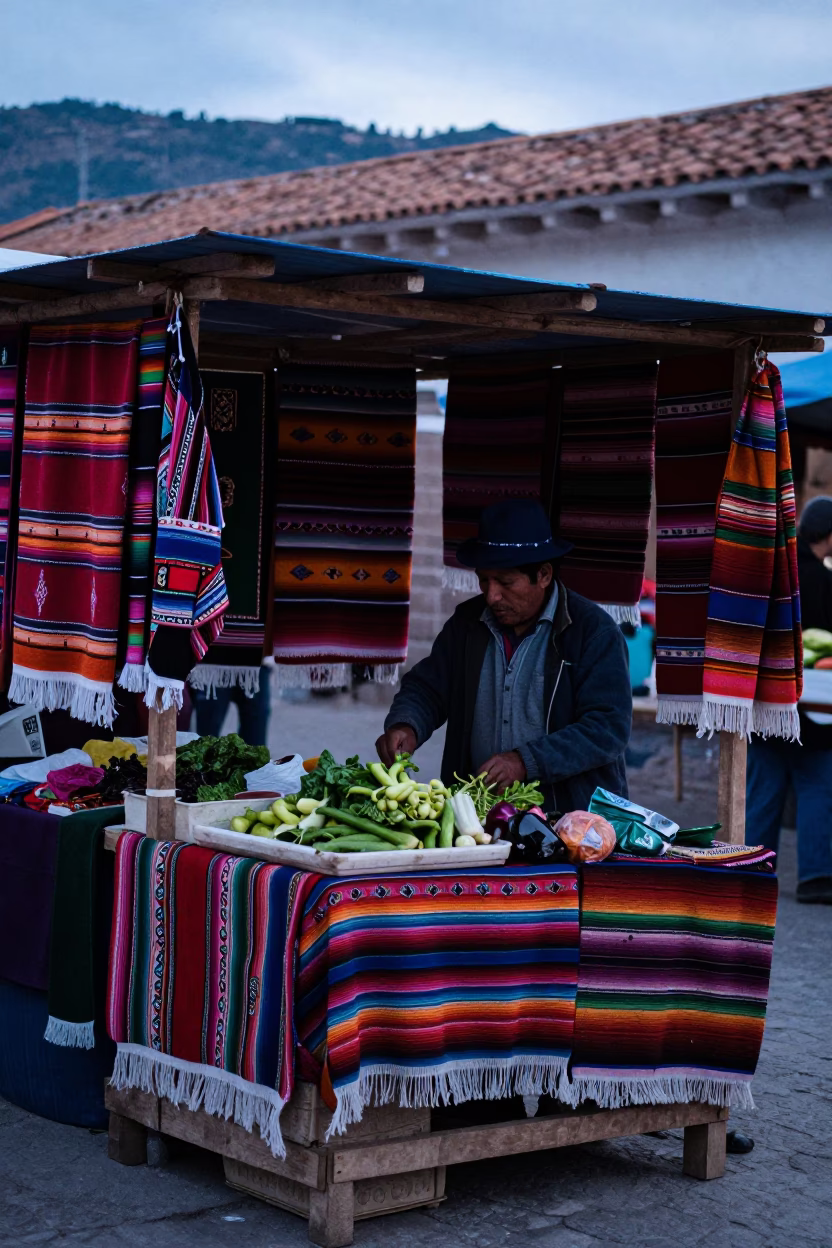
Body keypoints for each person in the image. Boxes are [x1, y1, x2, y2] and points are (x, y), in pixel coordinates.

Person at [376, 499, 632, 812]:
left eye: (506, 582)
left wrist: (527, 761)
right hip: (477, 818)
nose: (491, 594)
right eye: (484, 579)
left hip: (571, 818)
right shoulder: (466, 624)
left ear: (544, 574)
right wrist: (407, 725)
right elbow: (428, 688)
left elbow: (607, 728)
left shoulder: (593, 631)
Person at [745, 495, 832, 904]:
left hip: (768, 703)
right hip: (815, 707)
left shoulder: (774, 574)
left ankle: (751, 873)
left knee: (765, 787)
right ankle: (815, 877)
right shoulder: (826, 582)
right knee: (816, 785)